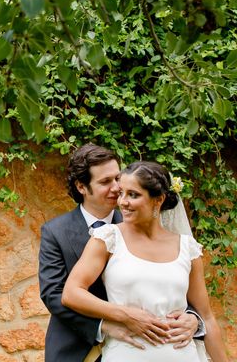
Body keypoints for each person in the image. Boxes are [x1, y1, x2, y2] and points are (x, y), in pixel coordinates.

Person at [38, 144, 199, 362]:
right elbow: (54, 294)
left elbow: (169, 279)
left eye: (117, 178)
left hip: (144, 348)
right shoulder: (55, 231)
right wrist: (105, 326)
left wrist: (193, 318)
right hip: (77, 347)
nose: (116, 187)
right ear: (82, 187)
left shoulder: (141, 221)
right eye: (105, 182)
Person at [62, 161, 228, 361]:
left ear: (158, 200)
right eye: (121, 193)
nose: (122, 201)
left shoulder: (187, 247)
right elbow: (71, 293)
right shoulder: (107, 238)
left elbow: (207, 317)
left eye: (133, 195)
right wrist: (125, 315)